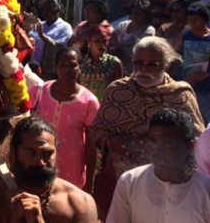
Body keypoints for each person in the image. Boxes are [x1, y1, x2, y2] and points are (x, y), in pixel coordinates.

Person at [89, 36, 205, 216]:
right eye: (138, 62)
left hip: (170, 182)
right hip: (119, 178)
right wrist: (114, 141)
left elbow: (197, 138)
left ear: (166, 64)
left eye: (152, 64)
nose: (143, 69)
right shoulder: (118, 90)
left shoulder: (181, 94)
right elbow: (97, 129)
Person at [0, 116, 97, 223]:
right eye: (31, 153)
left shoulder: (81, 202)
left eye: (47, 153)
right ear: (13, 153)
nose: (40, 162)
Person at [107, 108, 210, 222]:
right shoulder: (130, 182)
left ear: (191, 145)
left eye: (168, 143)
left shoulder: (206, 190)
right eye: (154, 140)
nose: (158, 148)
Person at [30, 47, 100, 191]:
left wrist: (90, 180)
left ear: (80, 67)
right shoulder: (39, 92)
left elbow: (91, 145)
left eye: (73, 65)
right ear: (56, 67)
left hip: (71, 168)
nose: (67, 69)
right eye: (63, 65)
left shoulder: (89, 102)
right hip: (38, 163)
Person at [179, 1, 210, 122]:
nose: (192, 23)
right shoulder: (184, 36)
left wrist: (202, 76)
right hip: (187, 83)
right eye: (190, 20)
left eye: (196, 19)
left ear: (204, 19)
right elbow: (179, 57)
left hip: (206, 87)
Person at [109, 0, 155, 76]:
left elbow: (141, 52)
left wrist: (121, 51)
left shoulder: (149, 30)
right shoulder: (122, 25)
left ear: (146, 15)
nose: (135, 15)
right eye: (134, 12)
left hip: (135, 72)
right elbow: (112, 43)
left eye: (139, 13)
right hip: (115, 69)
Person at [30, 0, 73, 80]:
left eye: (50, 8)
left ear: (57, 9)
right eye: (44, 9)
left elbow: (60, 47)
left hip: (51, 73)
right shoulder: (39, 25)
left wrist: (43, 36)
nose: (47, 11)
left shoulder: (65, 27)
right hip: (34, 70)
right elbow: (30, 39)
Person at [80, 26, 122, 100]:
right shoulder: (80, 62)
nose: (101, 45)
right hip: (84, 107)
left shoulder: (114, 63)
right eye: (97, 41)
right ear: (89, 42)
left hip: (105, 108)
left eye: (104, 41)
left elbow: (118, 92)